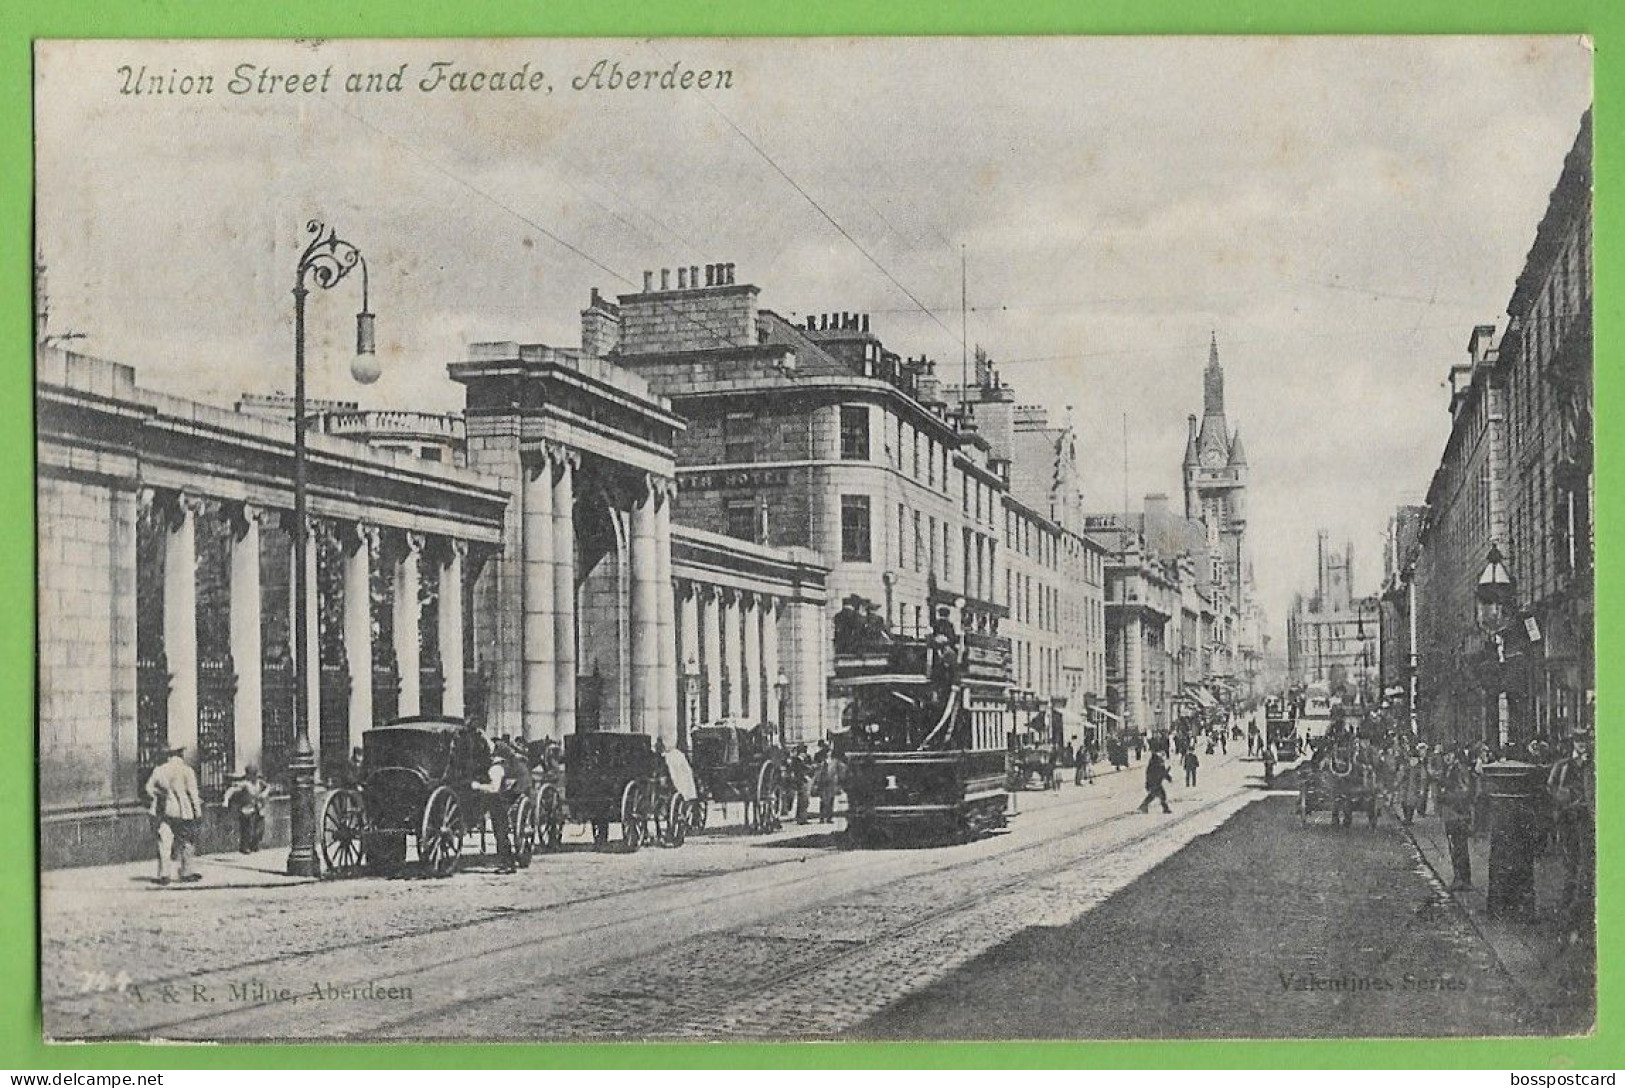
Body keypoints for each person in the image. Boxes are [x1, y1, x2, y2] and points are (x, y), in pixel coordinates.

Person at [1548, 733, 1594, 945]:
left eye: (1584, 741)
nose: (1582, 744)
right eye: (1578, 741)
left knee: (1586, 859)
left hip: (1585, 818)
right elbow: (1551, 787)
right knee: (1570, 858)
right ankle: (1569, 905)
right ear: (1573, 743)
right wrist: (1564, 800)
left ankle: (1580, 904)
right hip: (1567, 817)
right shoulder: (1563, 765)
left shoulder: (1591, 763)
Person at [144, 744, 203, 885]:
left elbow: (148, 789)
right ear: (180, 754)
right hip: (184, 811)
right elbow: (193, 793)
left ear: (168, 755)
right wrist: (198, 812)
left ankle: (164, 874)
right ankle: (186, 872)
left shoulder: (159, 770)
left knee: (164, 841)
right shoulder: (187, 770)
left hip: (164, 810)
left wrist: (159, 795)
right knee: (187, 841)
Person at [470, 747, 516, 873]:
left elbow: (494, 788)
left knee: (501, 834)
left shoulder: (496, 769)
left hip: (499, 804)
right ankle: (507, 863)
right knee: (500, 834)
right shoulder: (500, 767)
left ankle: (507, 864)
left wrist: (478, 786)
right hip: (499, 804)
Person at [1438, 747, 1477, 892]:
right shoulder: (1448, 769)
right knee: (1454, 846)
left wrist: (1446, 797)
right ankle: (1459, 877)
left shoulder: (1459, 770)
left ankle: (1463, 879)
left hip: (1458, 814)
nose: (1446, 758)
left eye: (1449, 754)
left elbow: (1465, 792)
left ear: (1454, 755)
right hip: (1450, 814)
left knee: (1459, 846)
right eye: (1445, 755)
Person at [222, 766, 271, 853]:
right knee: (247, 829)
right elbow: (231, 790)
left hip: (258, 809)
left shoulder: (259, 782)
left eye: (255, 774)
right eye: (251, 775)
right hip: (247, 809)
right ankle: (245, 847)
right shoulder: (244, 784)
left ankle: (254, 844)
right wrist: (226, 800)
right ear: (248, 775)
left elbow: (268, 786)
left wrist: (264, 793)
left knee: (260, 829)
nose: (253, 777)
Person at [812, 748, 846, 823]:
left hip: (832, 784)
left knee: (831, 800)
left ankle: (829, 817)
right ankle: (821, 817)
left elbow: (842, 769)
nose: (828, 754)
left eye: (829, 752)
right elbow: (818, 773)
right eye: (827, 752)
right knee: (823, 801)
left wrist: (839, 780)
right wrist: (816, 783)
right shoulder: (822, 762)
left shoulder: (835, 762)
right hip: (823, 783)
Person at [789, 744, 813, 824]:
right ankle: (802, 818)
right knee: (803, 801)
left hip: (805, 781)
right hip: (801, 781)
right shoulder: (796, 760)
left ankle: (801, 817)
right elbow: (797, 771)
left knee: (803, 801)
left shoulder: (804, 759)